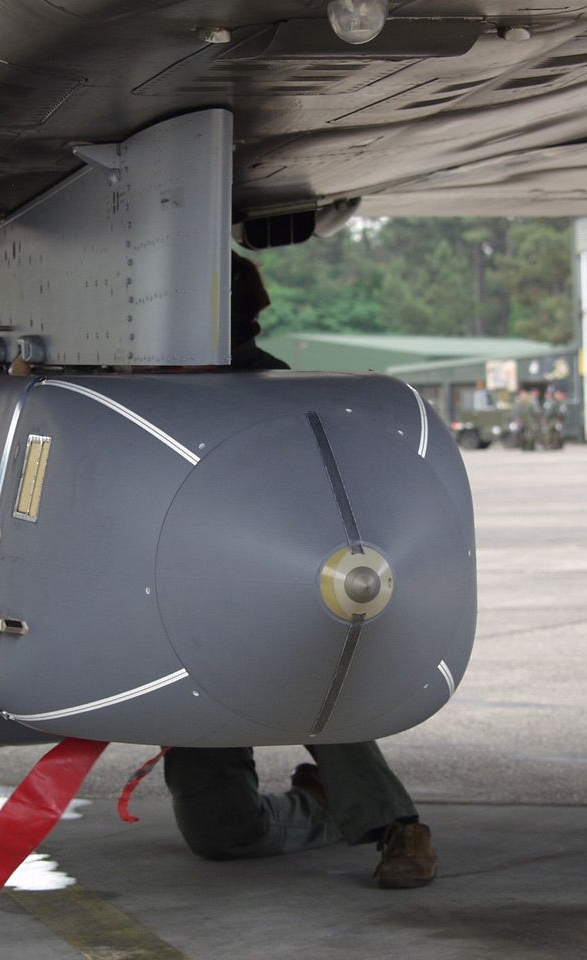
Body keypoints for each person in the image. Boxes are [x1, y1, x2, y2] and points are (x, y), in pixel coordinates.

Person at [161, 252, 438, 889]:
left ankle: (400, 827)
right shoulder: (144, 389)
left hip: (271, 601)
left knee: (311, 696)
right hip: (181, 612)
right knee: (221, 837)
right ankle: (316, 804)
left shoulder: (273, 397)